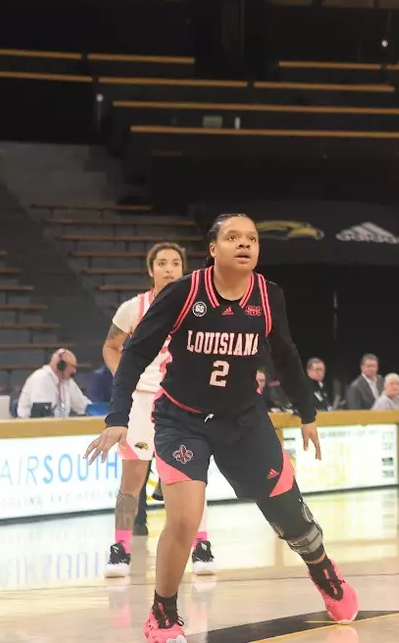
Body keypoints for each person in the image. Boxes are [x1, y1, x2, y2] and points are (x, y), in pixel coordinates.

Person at [86, 215, 358, 642]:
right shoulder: (178, 295)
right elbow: (131, 352)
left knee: (289, 514)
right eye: (233, 237)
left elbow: (286, 355)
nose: (244, 244)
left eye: (252, 238)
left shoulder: (268, 296)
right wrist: (117, 417)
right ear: (212, 248)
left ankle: (323, 569)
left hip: (243, 419)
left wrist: (307, 412)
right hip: (177, 416)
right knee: (172, 509)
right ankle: (159, 603)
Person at [102, 242, 214, 580]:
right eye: (162, 263)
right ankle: (120, 547)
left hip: (181, 401)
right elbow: (110, 346)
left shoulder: (198, 306)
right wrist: (125, 381)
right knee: (132, 480)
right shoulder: (133, 308)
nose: (169, 268)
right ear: (151, 270)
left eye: (175, 262)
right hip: (140, 402)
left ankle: (202, 544)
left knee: (190, 478)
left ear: (183, 269)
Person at [18, 348, 89, 418]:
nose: (74, 371)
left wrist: (96, 412)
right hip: (32, 427)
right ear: (61, 365)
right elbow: (41, 415)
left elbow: (83, 405)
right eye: (72, 366)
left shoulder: (68, 382)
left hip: (58, 426)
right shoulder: (41, 378)